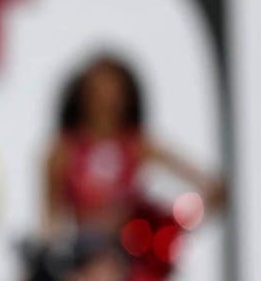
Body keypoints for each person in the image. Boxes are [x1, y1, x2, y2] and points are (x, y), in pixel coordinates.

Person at [43, 54, 225, 280]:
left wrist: (169, 227)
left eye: (113, 90)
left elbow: (212, 188)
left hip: (132, 255)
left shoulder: (137, 145)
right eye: (97, 91)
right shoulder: (63, 151)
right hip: (86, 256)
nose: (105, 99)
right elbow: (51, 220)